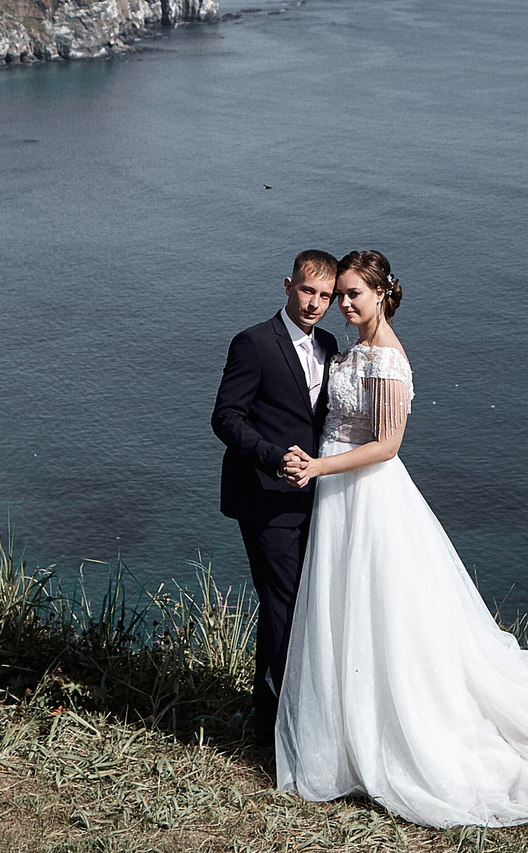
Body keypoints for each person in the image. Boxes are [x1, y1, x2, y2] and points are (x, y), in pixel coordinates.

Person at [275, 250, 528, 828]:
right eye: (340, 294)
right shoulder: (355, 351)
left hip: (366, 492)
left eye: (354, 294)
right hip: (341, 492)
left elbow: (387, 445)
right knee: (347, 609)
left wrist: (320, 469)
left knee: (378, 610)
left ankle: (387, 733)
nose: (342, 305)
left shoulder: (388, 363)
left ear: (382, 295)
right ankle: (348, 729)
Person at [211, 248, 343, 741]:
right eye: (307, 291)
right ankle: (297, 727)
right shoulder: (253, 342)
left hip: (316, 494)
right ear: (287, 285)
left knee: (287, 602)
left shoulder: (329, 344)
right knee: (286, 601)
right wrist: (273, 456)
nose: (314, 304)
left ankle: (268, 711)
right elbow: (225, 417)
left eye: (324, 296)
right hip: (265, 496)